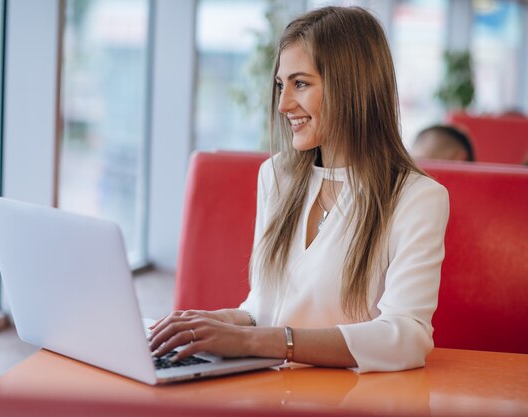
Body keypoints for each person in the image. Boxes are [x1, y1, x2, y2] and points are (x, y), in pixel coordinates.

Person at [149, 6, 449, 373]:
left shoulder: (417, 199)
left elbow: (405, 337)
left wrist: (255, 341)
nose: (283, 104)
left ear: (352, 86)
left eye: (300, 83)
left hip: (351, 399)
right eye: (280, 85)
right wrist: (203, 325)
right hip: (270, 390)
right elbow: (262, 308)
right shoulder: (276, 176)